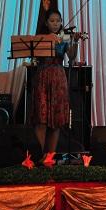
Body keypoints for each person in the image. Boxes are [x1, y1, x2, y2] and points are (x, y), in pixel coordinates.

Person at [32, 9, 79, 160]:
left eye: (58, 21)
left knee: (56, 121)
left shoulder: (64, 38)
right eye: (52, 21)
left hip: (58, 78)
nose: (55, 23)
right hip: (43, 77)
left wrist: (74, 41)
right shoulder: (40, 38)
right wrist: (50, 40)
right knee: (41, 119)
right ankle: (39, 156)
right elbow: (35, 54)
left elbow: (71, 57)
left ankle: (49, 158)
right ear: (46, 23)